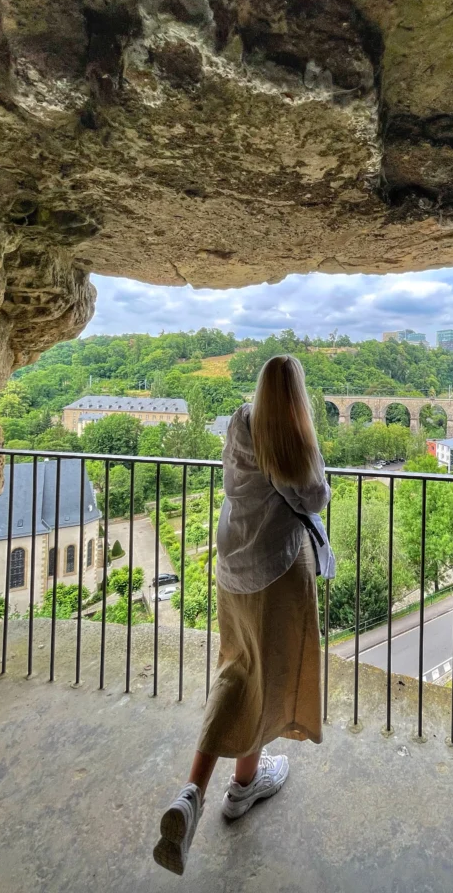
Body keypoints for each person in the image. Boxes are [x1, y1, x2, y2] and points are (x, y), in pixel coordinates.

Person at [153, 355, 333, 875]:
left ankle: (194, 792)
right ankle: (243, 786)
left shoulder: (238, 421)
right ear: (298, 397)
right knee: (270, 678)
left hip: (231, 566)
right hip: (276, 574)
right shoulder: (295, 443)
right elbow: (315, 495)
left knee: (236, 671)